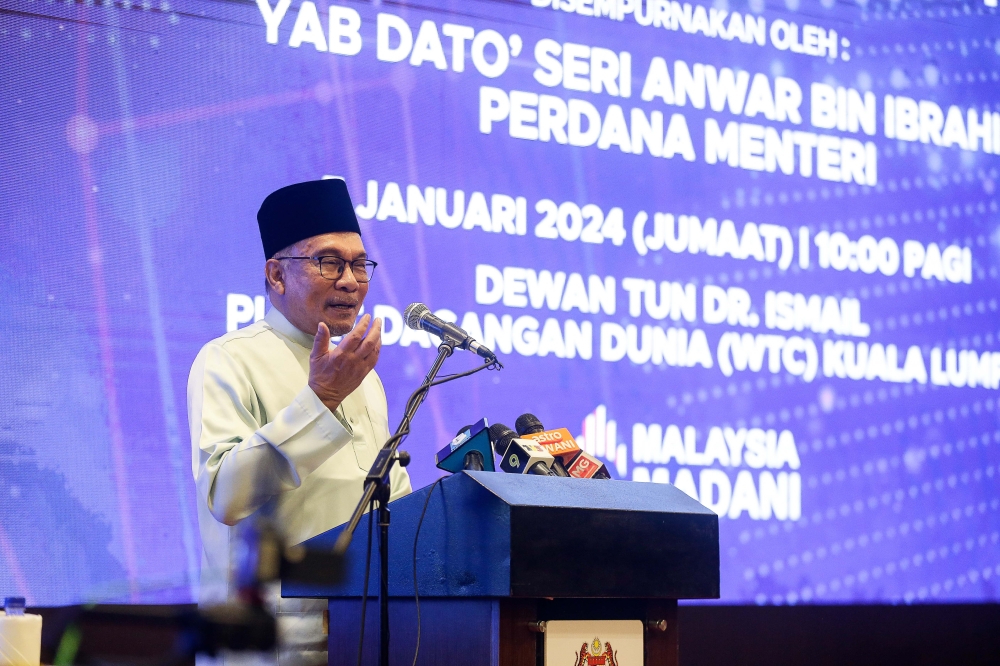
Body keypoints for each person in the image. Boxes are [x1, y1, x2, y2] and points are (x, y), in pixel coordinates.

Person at [187, 179, 412, 665]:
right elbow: (226, 496)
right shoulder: (229, 360)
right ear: (276, 275)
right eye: (329, 262)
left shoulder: (365, 378)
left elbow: (391, 500)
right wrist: (321, 398)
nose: (350, 280)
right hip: (269, 647)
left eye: (358, 264)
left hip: (361, 638)